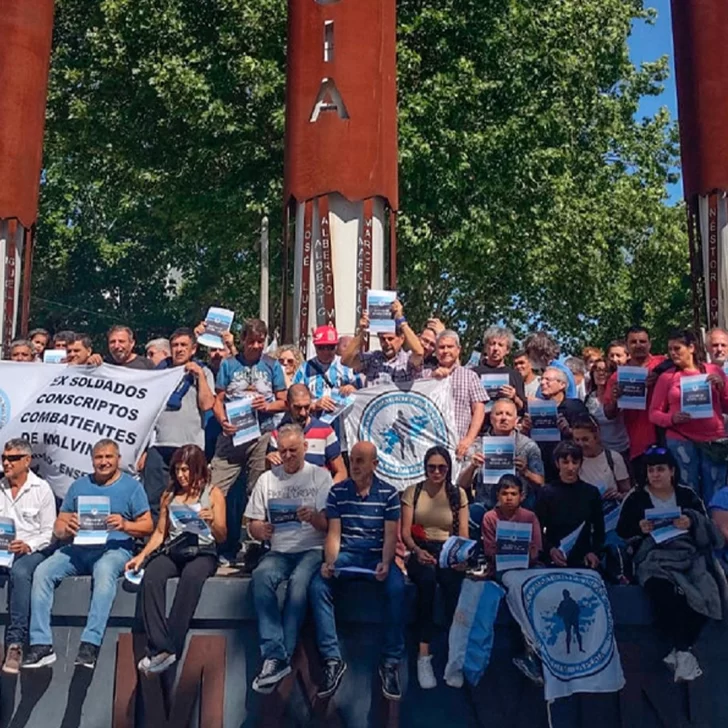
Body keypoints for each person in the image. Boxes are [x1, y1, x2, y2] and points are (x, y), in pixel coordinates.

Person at [23, 439, 153, 670]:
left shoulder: (132, 487)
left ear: (118, 459)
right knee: (42, 571)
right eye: (99, 457)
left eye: (108, 457)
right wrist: (66, 526)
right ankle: (41, 644)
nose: (103, 462)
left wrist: (124, 525)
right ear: (92, 460)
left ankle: (90, 644)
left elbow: (148, 525)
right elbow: (59, 525)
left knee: (104, 572)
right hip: (79, 547)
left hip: (115, 549)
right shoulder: (79, 486)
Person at [617, 445, 723, 682]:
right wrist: (639, 528)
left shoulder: (687, 495)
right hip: (653, 557)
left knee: (709, 594)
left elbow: (706, 527)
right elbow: (623, 532)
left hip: (688, 555)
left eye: (660, 469)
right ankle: (684, 652)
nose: (655, 474)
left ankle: (680, 652)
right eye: (651, 470)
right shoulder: (635, 497)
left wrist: (691, 521)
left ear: (672, 471)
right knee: (664, 594)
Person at [309, 442, 405, 701]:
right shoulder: (338, 492)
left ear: (375, 465)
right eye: (352, 460)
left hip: (376, 555)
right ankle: (332, 659)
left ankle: (390, 662)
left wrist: (386, 562)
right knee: (318, 585)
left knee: (398, 588)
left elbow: (389, 537)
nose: (355, 465)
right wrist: (330, 562)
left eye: (361, 460)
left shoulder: (389, 493)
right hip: (349, 554)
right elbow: (334, 534)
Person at [246, 424, 332, 692]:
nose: (288, 456)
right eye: (283, 451)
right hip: (279, 550)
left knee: (298, 585)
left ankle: (280, 657)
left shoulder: (320, 477)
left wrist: (314, 518)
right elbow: (252, 523)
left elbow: (331, 524)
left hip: (312, 548)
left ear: (305, 448)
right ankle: (274, 652)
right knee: (260, 577)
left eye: (293, 450)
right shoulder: (267, 479)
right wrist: (260, 529)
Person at [127, 445, 226, 675]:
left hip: (202, 551)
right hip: (175, 550)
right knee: (152, 575)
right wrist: (141, 556)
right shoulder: (169, 495)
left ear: (197, 469)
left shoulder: (212, 494)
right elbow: (160, 533)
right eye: (178, 470)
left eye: (186, 470)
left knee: (191, 578)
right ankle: (160, 645)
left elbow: (222, 536)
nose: (181, 475)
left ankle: (171, 645)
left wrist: (212, 521)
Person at [211, 318, 287, 557]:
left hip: (261, 435)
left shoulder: (272, 365)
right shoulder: (229, 364)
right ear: (242, 340)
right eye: (251, 341)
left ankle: (255, 544)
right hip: (232, 435)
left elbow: (284, 401)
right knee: (215, 487)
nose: (256, 346)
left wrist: (267, 406)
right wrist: (223, 420)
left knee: (256, 490)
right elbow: (218, 400)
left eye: (260, 341)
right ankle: (215, 542)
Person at [401, 446, 468, 689]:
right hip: (420, 548)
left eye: (442, 467)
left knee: (454, 588)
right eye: (432, 467)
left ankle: (455, 657)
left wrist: (460, 556)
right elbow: (405, 532)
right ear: (425, 468)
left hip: (448, 548)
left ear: (448, 468)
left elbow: (462, 533)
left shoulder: (457, 494)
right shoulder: (413, 491)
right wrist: (417, 551)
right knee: (426, 584)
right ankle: (423, 655)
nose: (437, 472)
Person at [143, 328, 216, 521]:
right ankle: (152, 544)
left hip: (189, 444)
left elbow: (208, 404)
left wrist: (199, 376)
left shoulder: (204, 371)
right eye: (175, 345)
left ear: (193, 349)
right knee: (154, 499)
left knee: (189, 497)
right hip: (159, 444)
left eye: (184, 345)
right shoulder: (158, 373)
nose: (179, 349)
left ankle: (186, 541)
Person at [649, 329, 728, 505]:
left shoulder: (713, 370)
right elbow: (653, 413)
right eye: (670, 349)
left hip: (713, 441)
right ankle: (694, 526)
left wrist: (722, 388)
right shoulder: (666, 377)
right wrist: (671, 418)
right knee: (687, 488)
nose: (673, 353)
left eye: (677, 348)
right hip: (681, 440)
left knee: (717, 489)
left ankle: (715, 530)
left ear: (691, 348)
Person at [0, 439, 56, 674]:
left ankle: (15, 644)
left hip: (32, 551)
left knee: (21, 572)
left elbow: (50, 533)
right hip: (2, 550)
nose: (6, 462)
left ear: (27, 461)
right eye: (4, 458)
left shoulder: (42, 489)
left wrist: (27, 546)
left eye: (12, 458)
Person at [458, 398, 544, 514]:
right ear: (491, 418)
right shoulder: (478, 445)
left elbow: (541, 482)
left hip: (520, 508)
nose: (503, 418)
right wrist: (472, 466)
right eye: (499, 414)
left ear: (516, 420)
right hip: (486, 506)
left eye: (508, 414)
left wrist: (526, 472)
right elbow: (462, 484)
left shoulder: (528, 446)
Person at [603, 326, 668, 479]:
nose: (638, 345)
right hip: (638, 443)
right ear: (627, 346)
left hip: (667, 436)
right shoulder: (617, 376)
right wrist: (615, 398)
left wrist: (659, 376)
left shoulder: (663, 364)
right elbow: (608, 413)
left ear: (650, 344)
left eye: (642, 341)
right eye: (633, 342)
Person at [535, 441, 604, 568]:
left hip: (584, 558)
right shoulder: (546, 493)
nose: (570, 467)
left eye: (575, 462)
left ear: (580, 464)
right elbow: (537, 529)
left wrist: (594, 552)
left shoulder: (591, 493)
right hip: (554, 557)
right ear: (557, 464)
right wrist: (550, 550)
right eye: (565, 462)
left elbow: (599, 529)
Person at [422, 330, 488, 459]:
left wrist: (469, 439)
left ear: (458, 350)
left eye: (450, 347)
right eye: (441, 347)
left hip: (459, 445)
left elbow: (479, 410)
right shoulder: (425, 375)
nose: (445, 351)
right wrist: (432, 378)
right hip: (429, 445)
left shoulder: (470, 376)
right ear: (435, 351)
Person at [267, 384, 348, 482]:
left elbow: (341, 472)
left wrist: (328, 491)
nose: (303, 413)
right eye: (297, 407)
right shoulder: (277, 434)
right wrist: (269, 460)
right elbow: (270, 473)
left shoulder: (325, 431)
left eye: (307, 407)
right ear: (287, 405)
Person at [523, 366, 588, 481]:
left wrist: (570, 432)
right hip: (540, 467)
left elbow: (589, 434)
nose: (543, 383)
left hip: (568, 468)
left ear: (562, 384)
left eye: (548, 380)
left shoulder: (574, 406)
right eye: (541, 379)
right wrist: (525, 429)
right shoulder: (534, 408)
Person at [341, 299, 424, 385]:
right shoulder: (372, 358)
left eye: (391, 339)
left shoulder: (408, 360)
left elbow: (419, 352)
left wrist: (401, 320)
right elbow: (346, 361)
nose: (386, 343)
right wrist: (362, 331)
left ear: (402, 338)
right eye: (382, 339)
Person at [292, 325, 362, 415]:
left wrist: (354, 390)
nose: (326, 352)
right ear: (315, 346)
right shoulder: (304, 369)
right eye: (321, 347)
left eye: (330, 347)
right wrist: (314, 405)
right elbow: (293, 399)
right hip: (316, 423)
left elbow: (363, 394)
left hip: (342, 423)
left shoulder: (346, 366)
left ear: (336, 346)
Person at [482, 474, 542, 569]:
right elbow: (489, 551)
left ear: (521, 496)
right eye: (504, 493)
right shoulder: (490, 518)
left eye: (513, 494)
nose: (509, 498)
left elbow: (536, 548)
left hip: (528, 566)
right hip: (499, 567)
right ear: (498, 495)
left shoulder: (530, 517)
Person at [585, 358, 630, 461]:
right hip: (599, 451)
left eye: (605, 371)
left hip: (623, 449)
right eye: (597, 370)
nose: (600, 373)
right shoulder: (589, 398)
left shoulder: (621, 396)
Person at [571, 417, 631, 496]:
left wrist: (619, 496)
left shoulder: (614, 458)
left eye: (585, 439)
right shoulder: (572, 461)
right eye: (577, 440)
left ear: (597, 436)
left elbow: (628, 492)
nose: (581, 444)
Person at [474, 326, 526, 410]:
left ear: (507, 350)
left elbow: (523, 408)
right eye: (492, 344)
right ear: (486, 348)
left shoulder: (515, 375)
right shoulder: (474, 373)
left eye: (500, 345)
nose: (495, 348)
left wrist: (514, 397)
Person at [523, 331, 578, 399]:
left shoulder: (561, 372)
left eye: (528, 351)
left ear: (539, 351)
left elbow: (565, 402)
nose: (527, 356)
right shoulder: (547, 370)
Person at [88, 325, 155, 369]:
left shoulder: (146, 365)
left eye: (121, 341)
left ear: (132, 343)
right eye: (112, 342)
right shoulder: (102, 364)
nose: (116, 346)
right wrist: (89, 364)